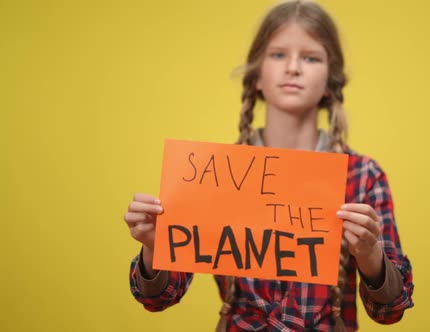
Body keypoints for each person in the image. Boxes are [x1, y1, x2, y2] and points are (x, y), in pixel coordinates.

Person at [124, 1, 414, 331]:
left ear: (330, 81)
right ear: (257, 75)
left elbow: (390, 311)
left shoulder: (363, 176)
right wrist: (153, 245)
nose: (293, 68)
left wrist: (370, 253)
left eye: (311, 57)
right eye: (278, 55)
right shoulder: (214, 174)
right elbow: (158, 298)